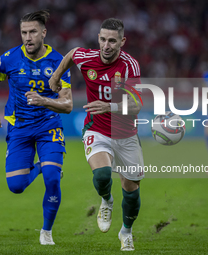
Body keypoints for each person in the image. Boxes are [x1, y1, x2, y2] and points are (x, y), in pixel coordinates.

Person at [50, 18, 144, 251]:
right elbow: (72, 54)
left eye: (112, 40)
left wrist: (108, 106)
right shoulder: (87, 58)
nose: (106, 45)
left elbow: (137, 105)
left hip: (126, 134)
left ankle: (126, 232)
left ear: (122, 41)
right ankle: (106, 200)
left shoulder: (129, 66)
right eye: (102, 39)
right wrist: (55, 75)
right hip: (97, 129)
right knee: (102, 176)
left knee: (131, 191)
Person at [0, 10, 72, 245]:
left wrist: (45, 101)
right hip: (19, 128)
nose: (28, 37)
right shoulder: (10, 58)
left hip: (48, 126)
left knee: (53, 178)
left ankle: (46, 232)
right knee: (16, 186)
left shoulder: (58, 62)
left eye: (33, 32)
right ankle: (43, 167)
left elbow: (68, 104)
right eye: (24, 32)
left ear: (44, 33)